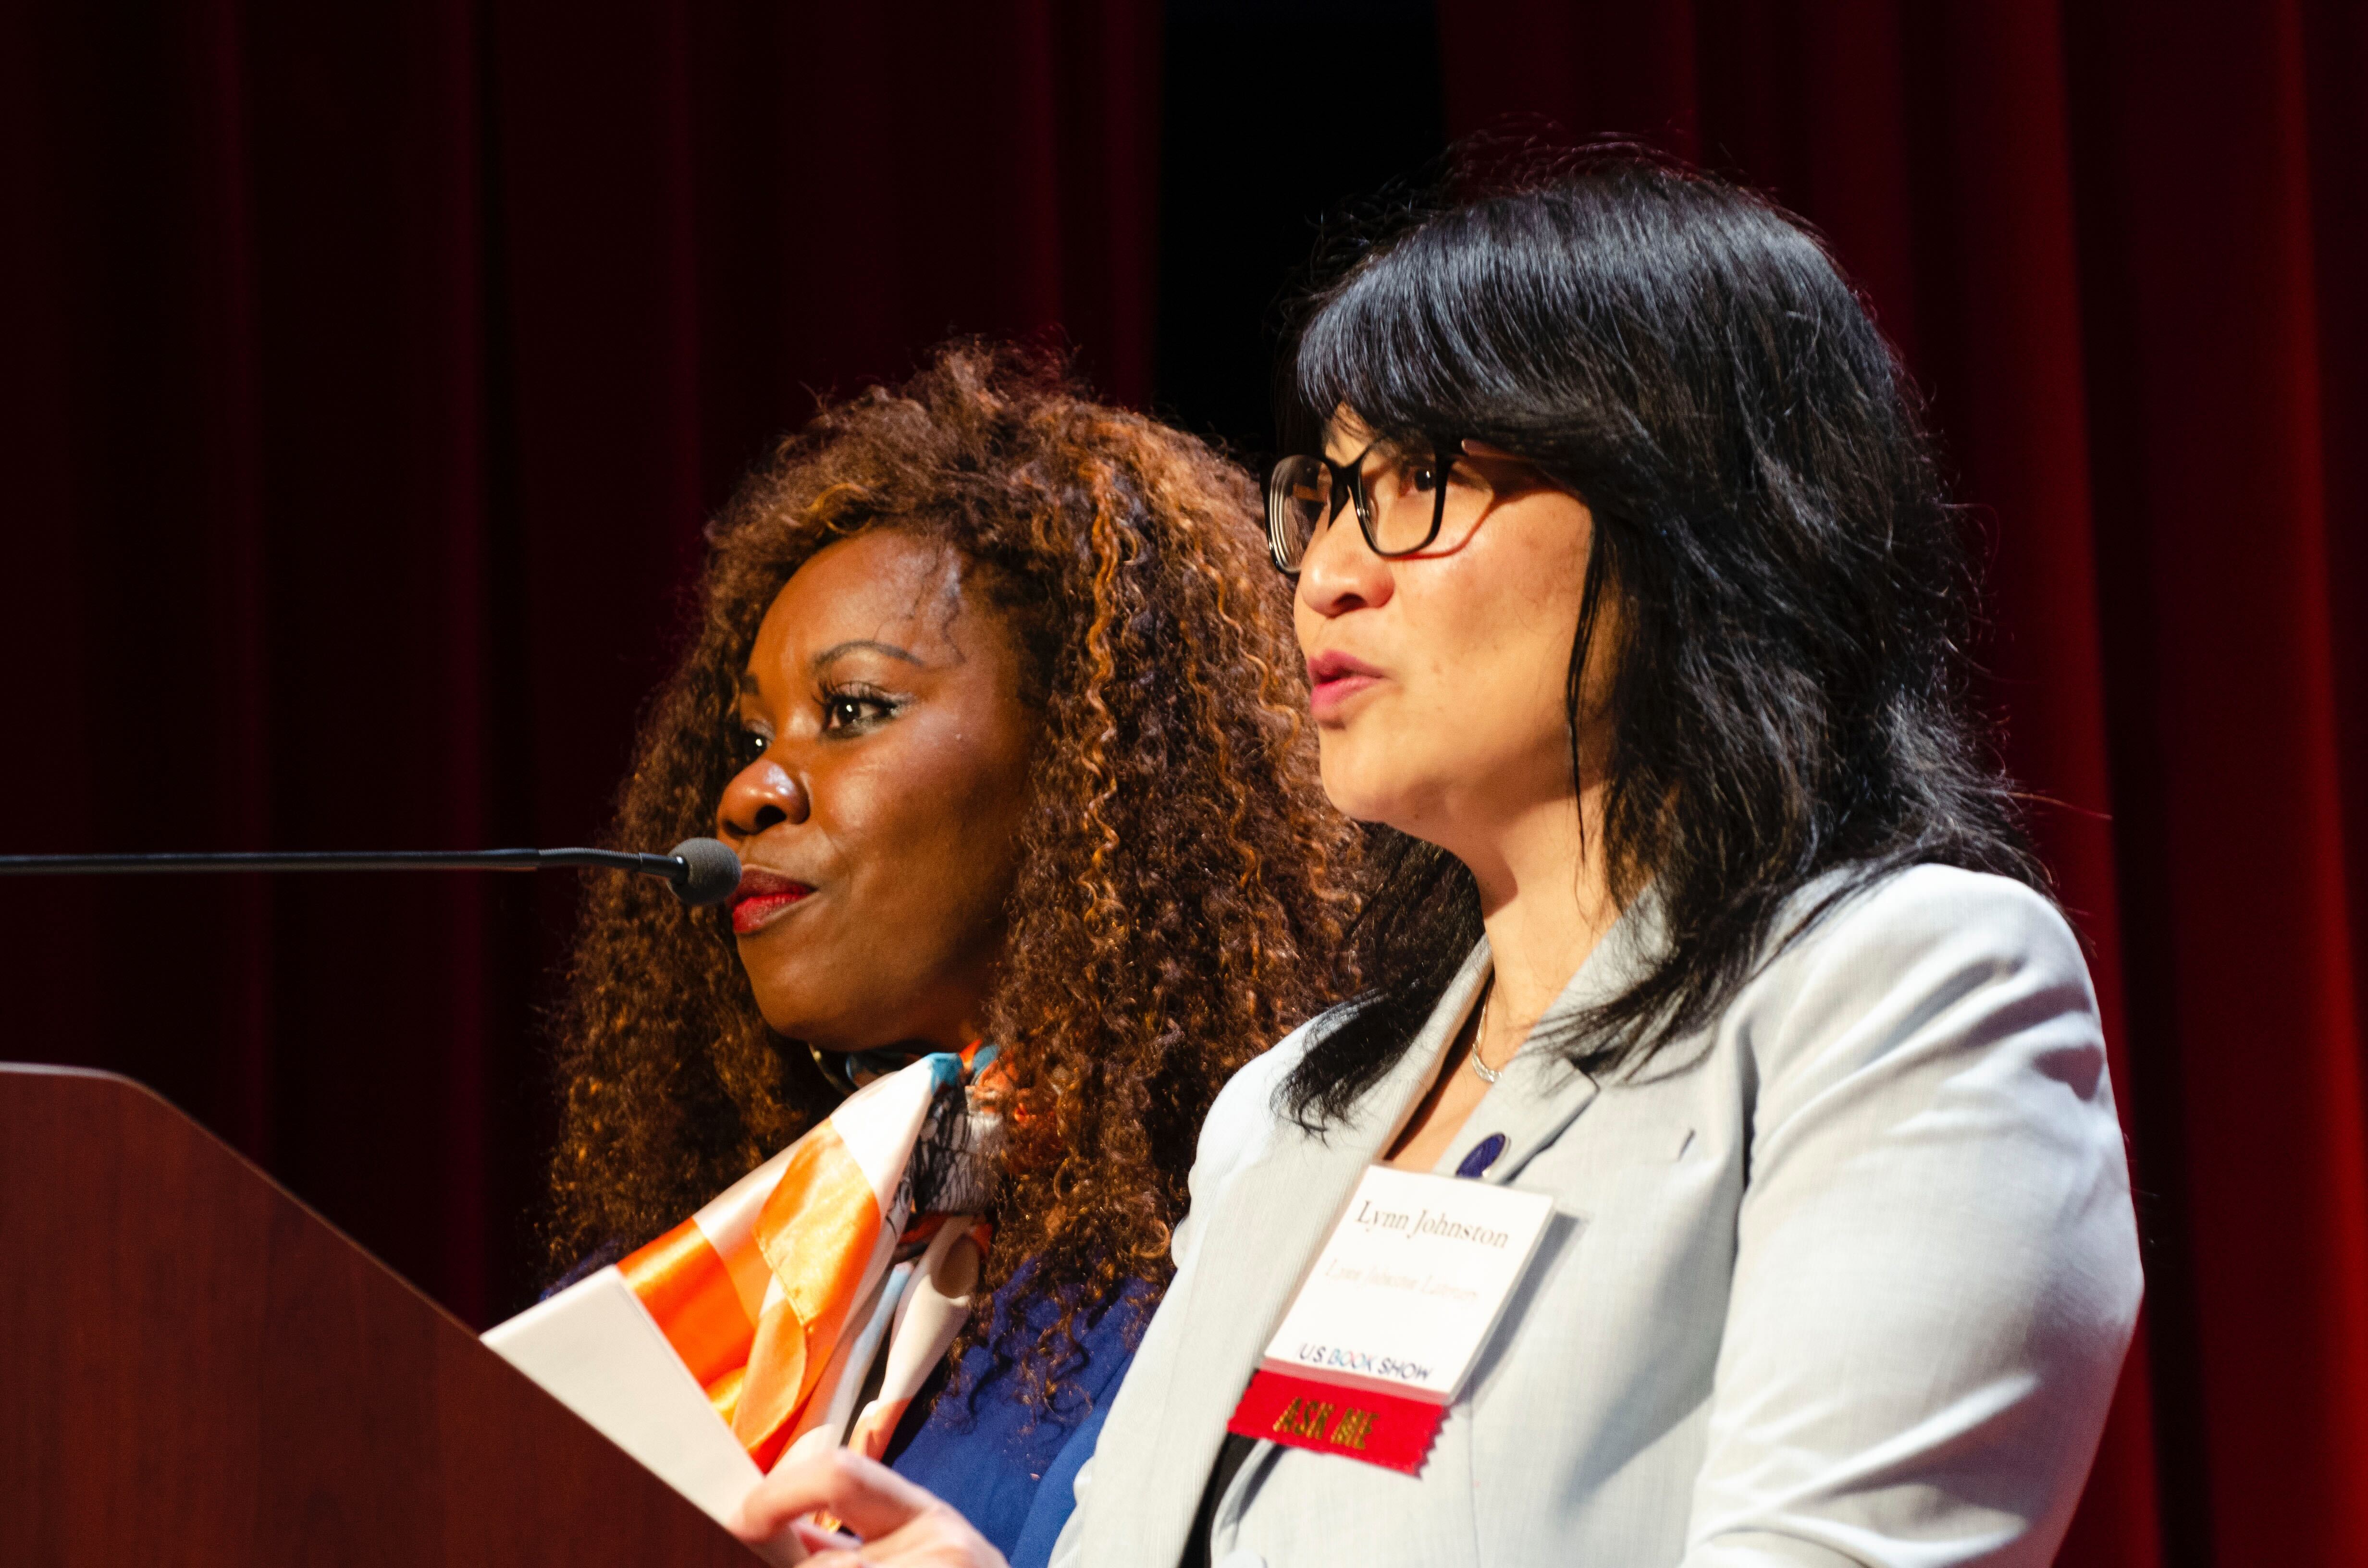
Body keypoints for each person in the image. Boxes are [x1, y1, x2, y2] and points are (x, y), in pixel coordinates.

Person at [734, 157, 2144, 1567]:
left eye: (1421, 480)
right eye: (1328, 498)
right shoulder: (1285, 1115)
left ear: (1688, 517)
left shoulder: (1906, 996)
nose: (1333, 572)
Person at [540, 343, 1358, 1566]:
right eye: (752, 732)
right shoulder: (693, 1294)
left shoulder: (1244, 1254)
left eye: (854, 711)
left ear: (1088, 765)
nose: (751, 790)